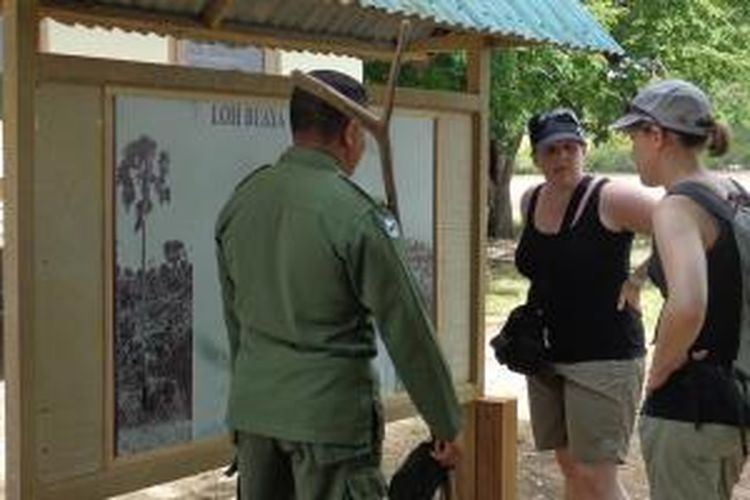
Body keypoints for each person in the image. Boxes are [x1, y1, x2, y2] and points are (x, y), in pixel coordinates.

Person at [215, 69, 462, 499]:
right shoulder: (356, 216)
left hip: (255, 416)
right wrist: (446, 423)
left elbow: (235, 322)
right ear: (351, 131)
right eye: (363, 135)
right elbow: (408, 329)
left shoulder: (242, 201)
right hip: (330, 426)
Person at [612, 79, 748, 500]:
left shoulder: (676, 206)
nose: (631, 148)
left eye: (634, 136)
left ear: (657, 135)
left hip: (690, 409)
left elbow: (689, 304)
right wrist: (638, 277)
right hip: (733, 398)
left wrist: (662, 368)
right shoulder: (733, 195)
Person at [516, 108, 655, 500]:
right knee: (569, 466)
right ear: (537, 157)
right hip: (546, 354)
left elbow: (683, 223)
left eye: (570, 147)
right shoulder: (531, 199)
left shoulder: (611, 197)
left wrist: (639, 278)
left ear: (584, 149)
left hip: (604, 357)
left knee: (598, 477)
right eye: (551, 149)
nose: (562, 157)